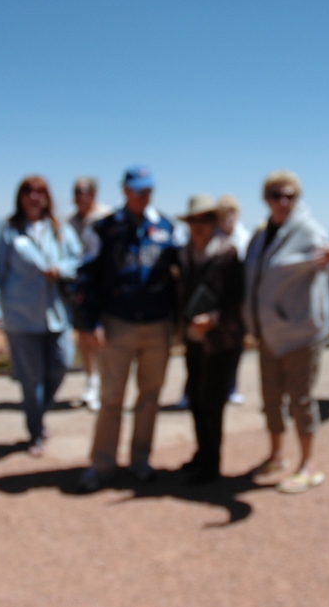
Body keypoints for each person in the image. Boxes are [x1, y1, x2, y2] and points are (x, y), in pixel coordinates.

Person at [243, 170, 329, 494]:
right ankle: (276, 454)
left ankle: (308, 463)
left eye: (291, 195)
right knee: (270, 399)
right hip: (267, 333)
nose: (284, 201)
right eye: (277, 195)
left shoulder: (307, 229)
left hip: (300, 333)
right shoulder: (261, 233)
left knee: (301, 400)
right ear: (265, 199)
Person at [74, 165, 181, 492]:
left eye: (148, 189)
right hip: (117, 323)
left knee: (150, 397)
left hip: (156, 325)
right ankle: (103, 464)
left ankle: (140, 460)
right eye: (137, 189)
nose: (143, 195)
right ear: (124, 190)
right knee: (112, 397)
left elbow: (179, 275)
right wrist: (89, 321)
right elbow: (86, 276)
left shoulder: (165, 227)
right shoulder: (104, 229)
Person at [0, 177, 82, 457]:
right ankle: (35, 431)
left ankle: (39, 410)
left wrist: (61, 269)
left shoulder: (59, 230)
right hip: (21, 316)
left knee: (61, 363)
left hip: (56, 315)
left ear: (47, 197)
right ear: (20, 197)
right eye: (29, 191)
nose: (34, 197)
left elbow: (78, 260)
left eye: (40, 192)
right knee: (30, 378)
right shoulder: (9, 232)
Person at [176, 195, 245, 484]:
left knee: (211, 401)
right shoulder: (183, 255)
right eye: (194, 220)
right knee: (195, 396)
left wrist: (215, 319)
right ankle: (202, 452)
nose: (199, 226)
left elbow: (236, 297)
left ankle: (210, 463)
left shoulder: (227, 254)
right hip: (193, 337)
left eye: (205, 219)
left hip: (220, 340)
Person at [67, 176, 111, 412]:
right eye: (75, 191)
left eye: (82, 191)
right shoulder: (69, 221)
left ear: (93, 193)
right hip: (79, 285)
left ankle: (105, 383)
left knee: (99, 335)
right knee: (83, 334)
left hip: (102, 285)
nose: (79, 195)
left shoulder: (106, 216)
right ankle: (91, 380)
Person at [216, 193, 251, 406]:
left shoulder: (245, 237)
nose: (228, 218)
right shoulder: (213, 237)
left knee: (235, 347)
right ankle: (191, 390)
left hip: (239, 302)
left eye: (232, 213)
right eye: (224, 214)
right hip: (216, 301)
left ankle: (231, 388)